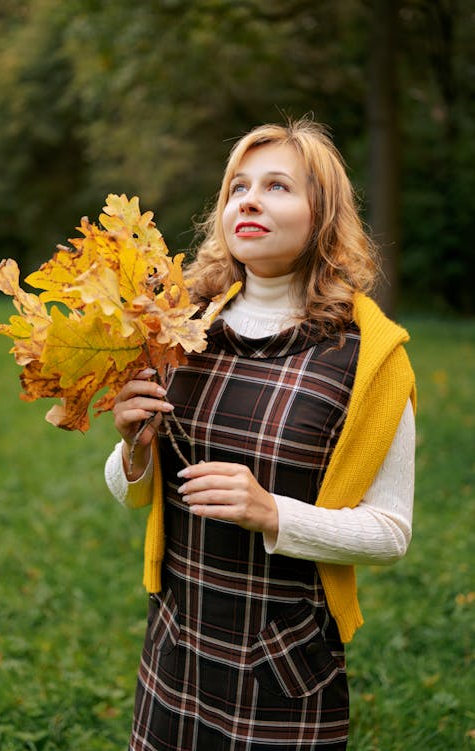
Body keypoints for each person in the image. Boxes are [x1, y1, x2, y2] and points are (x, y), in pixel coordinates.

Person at [105, 118, 416, 750]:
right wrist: (134, 447)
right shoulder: (182, 328)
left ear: (321, 214)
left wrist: (272, 512)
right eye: (237, 187)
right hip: (177, 643)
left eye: (277, 186)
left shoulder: (369, 357)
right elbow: (134, 491)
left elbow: (390, 534)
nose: (248, 199)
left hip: (281, 660)